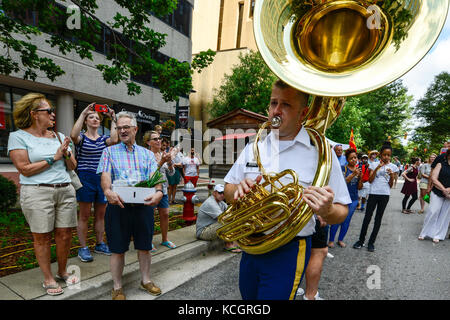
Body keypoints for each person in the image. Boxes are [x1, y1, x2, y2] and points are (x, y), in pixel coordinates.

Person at [223, 79, 351, 300]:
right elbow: (227, 188)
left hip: (288, 249)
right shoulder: (256, 146)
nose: (276, 111)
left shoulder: (321, 154)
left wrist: (327, 210)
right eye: (273, 103)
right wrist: (237, 191)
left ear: (303, 112)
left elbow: (342, 210)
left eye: (286, 105)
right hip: (251, 244)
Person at [7, 93, 79, 296]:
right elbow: (24, 169)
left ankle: (63, 271)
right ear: (34, 114)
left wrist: (66, 155)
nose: (53, 114)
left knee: (65, 235)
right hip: (37, 192)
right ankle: (48, 278)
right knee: (42, 237)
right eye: (48, 111)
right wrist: (53, 157)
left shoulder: (59, 136)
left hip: (65, 189)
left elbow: (73, 166)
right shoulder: (18, 136)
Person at [97, 111, 163, 300]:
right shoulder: (108, 152)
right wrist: (107, 191)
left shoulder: (147, 154)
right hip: (118, 207)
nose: (123, 131)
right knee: (117, 249)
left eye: (126, 127)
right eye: (119, 128)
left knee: (144, 246)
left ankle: (146, 280)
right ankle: (117, 287)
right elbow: (105, 176)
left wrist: (159, 192)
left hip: (143, 207)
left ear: (135, 129)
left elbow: (155, 178)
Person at [70, 103, 118, 262]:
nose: (95, 119)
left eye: (97, 118)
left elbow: (115, 139)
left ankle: (99, 243)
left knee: (100, 214)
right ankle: (83, 248)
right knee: (84, 215)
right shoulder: (82, 137)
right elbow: (73, 135)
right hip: (85, 177)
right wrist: (84, 112)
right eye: (92, 117)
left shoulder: (104, 139)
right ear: (86, 121)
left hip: (102, 177)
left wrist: (113, 118)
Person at [353, 142, 398, 252]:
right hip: (373, 193)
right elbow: (370, 180)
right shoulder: (373, 164)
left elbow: (390, 185)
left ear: (390, 155)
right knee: (367, 217)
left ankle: (371, 243)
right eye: (384, 155)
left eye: (388, 155)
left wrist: (392, 175)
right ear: (381, 155)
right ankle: (361, 240)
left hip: (385, 195)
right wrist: (378, 167)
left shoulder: (394, 167)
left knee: (378, 219)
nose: (386, 157)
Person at [143, 130, 176, 251]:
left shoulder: (163, 153)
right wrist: (162, 161)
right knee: (149, 216)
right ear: (148, 142)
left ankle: (165, 239)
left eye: (159, 138)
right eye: (155, 139)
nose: (159, 141)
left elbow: (171, 174)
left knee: (165, 214)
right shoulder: (145, 155)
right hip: (150, 189)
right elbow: (149, 173)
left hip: (163, 189)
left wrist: (170, 162)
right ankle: (148, 241)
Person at [328, 148, 361, 248]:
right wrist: (353, 174)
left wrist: (360, 177)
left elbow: (359, 187)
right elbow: (343, 182)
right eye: (351, 158)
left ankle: (341, 239)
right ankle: (331, 240)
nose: (354, 160)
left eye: (355, 158)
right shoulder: (343, 168)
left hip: (353, 199)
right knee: (337, 219)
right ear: (347, 159)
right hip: (342, 198)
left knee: (346, 221)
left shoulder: (358, 170)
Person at [196, 184, 241, 253]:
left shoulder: (220, 202)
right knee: (227, 223)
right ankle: (228, 244)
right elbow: (224, 218)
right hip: (203, 232)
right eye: (220, 193)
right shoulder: (210, 203)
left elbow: (231, 212)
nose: (222, 195)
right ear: (214, 193)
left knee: (233, 220)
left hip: (211, 227)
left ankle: (231, 243)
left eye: (223, 193)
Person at [418, 149, 450, 243]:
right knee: (433, 211)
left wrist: (449, 190)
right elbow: (434, 178)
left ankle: (438, 235)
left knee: (444, 215)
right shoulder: (441, 163)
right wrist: (444, 189)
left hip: (449, 195)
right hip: (438, 191)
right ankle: (424, 233)